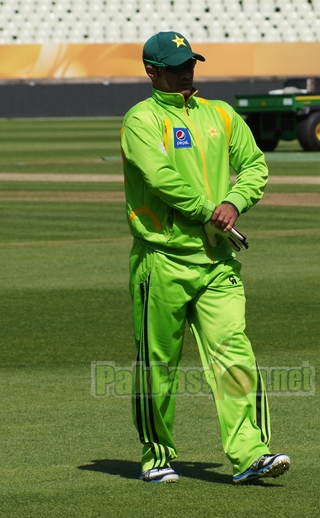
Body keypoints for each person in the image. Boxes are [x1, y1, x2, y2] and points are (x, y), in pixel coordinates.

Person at [120, 31, 290, 485]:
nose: (187, 73)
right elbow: (159, 178)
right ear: (152, 72)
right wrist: (205, 212)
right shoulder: (141, 119)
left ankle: (250, 453)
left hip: (217, 264)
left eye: (190, 63)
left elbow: (256, 165)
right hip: (162, 260)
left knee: (235, 353)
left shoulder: (221, 114)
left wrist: (234, 203)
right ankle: (156, 455)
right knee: (158, 364)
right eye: (176, 67)